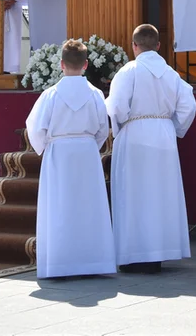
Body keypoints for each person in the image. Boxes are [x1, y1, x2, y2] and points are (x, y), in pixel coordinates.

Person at [106, 24, 196, 273]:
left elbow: (115, 108)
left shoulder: (128, 71)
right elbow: (188, 106)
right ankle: (158, 252)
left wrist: (119, 126)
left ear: (134, 46)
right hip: (164, 136)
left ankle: (135, 255)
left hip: (135, 135)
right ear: (158, 46)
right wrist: (174, 128)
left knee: (134, 195)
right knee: (161, 195)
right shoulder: (171, 74)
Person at [25, 39, 116, 279]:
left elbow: (35, 128)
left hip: (58, 153)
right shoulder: (96, 94)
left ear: (61, 65)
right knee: (89, 207)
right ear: (86, 65)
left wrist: (46, 148)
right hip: (86, 153)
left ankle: (60, 264)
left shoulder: (50, 95)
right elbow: (101, 129)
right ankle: (92, 262)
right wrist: (88, 146)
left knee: (59, 206)